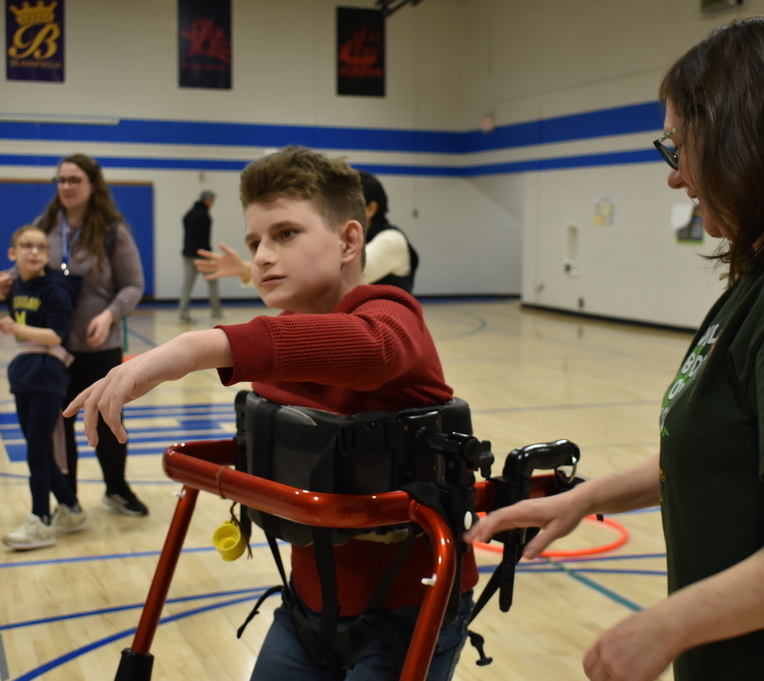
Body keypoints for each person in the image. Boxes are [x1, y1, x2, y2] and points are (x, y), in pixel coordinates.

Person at [466, 17, 764, 681]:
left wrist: (669, 623)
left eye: (679, 146)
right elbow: (729, 448)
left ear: (744, 140)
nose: (675, 177)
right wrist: (583, 498)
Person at [64, 146, 477, 680]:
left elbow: (369, 351)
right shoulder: (282, 335)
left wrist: (192, 349)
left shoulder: (391, 315)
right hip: (306, 605)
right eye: (255, 240)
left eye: (285, 234)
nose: (260, 255)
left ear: (350, 240)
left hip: (412, 610)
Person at [0, 154, 148, 517]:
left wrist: (109, 315)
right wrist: (1, 285)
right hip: (53, 351)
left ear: (93, 185)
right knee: (60, 429)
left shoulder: (112, 231)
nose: (66, 186)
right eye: (61, 180)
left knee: (107, 422)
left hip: (99, 348)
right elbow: (24, 273)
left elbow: (134, 285)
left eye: (74, 179)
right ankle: (68, 500)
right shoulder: (43, 226)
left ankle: (116, 489)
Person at [0, 225, 87, 550]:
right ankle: (72, 509)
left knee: (36, 451)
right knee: (39, 451)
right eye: (26, 246)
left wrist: (16, 327)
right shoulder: (15, 284)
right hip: (23, 371)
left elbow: (56, 336)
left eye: (39, 247)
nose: (33, 252)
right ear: (13, 253)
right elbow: (1, 288)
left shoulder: (55, 288)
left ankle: (40, 519)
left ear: (47, 255)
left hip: (48, 372)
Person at [192, 170, 419, 293]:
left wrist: (247, 268)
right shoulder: (339, 239)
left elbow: (346, 274)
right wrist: (246, 270)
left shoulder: (393, 240)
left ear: (370, 208)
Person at [178, 190, 222, 323]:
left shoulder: (188, 214)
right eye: (212, 200)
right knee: (213, 282)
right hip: (202, 255)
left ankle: (183, 312)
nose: (212, 203)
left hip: (188, 255)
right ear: (207, 200)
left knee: (187, 285)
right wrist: (208, 254)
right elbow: (204, 238)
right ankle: (216, 312)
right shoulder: (205, 216)